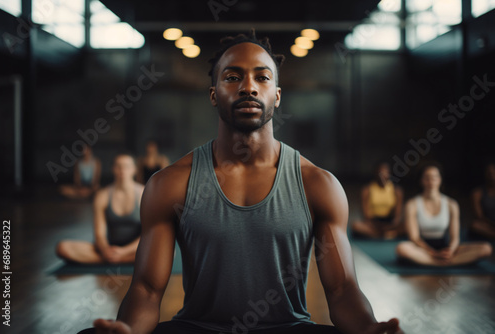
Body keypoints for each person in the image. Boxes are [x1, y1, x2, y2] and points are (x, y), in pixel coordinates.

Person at [80, 30, 402, 334]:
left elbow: (343, 289)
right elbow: (147, 291)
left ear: (276, 96)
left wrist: (369, 328)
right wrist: (128, 330)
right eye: (233, 77)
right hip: (199, 328)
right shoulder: (169, 184)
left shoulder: (318, 184)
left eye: (262, 77)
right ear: (213, 94)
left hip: (287, 329)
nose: (248, 87)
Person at [56, 152, 144, 264]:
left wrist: (123, 252)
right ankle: (116, 259)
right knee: (62, 248)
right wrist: (105, 250)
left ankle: (117, 259)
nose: (122, 170)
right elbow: (99, 234)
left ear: (134, 169)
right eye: (118, 166)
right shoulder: (102, 196)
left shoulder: (144, 194)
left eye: (126, 166)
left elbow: (147, 235)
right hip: (110, 247)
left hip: (135, 249)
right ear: (113, 169)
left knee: (162, 249)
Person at [396, 163, 492, 266]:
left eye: (435, 177)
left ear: (440, 179)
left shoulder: (451, 204)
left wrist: (450, 250)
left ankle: (438, 261)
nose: (431, 181)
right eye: (427, 177)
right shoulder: (412, 204)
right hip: (422, 248)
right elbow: (414, 238)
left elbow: (455, 238)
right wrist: (432, 252)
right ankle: (442, 262)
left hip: (444, 247)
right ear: (421, 180)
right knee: (402, 248)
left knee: (486, 248)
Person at [352, 162, 404, 239]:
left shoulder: (397, 191)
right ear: (375, 173)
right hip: (373, 223)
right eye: (380, 173)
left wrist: (390, 226)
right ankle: (384, 235)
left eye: (385, 172)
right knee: (356, 225)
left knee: (406, 226)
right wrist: (374, 225)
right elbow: (365, 215)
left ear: (390, 173)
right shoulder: (367, 190)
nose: (383, 176)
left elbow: (397, 216)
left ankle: (382, 234)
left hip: (389, 223)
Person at [471, 162, 495, 239]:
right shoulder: (477, 193)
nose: (492, 175)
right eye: (489, 172)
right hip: (487, 224)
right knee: (475, 225)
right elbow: (479, 216)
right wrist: (492, 224)